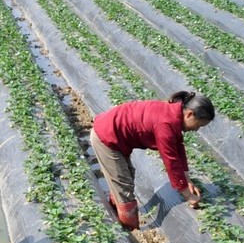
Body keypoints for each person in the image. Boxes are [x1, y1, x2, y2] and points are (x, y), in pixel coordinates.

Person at [89, 91, 215, 231]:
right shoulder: (166, 124)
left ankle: (116, 212)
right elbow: (171, 161)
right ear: (190, 114)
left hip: (116, 135)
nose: (197, 130)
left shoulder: (174, 112)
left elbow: (178, 147)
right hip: (106, 136)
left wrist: (187, 180)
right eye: (199, 125)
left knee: (126, 177)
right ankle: (131, 232)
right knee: (124, 187)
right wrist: (188, 195)